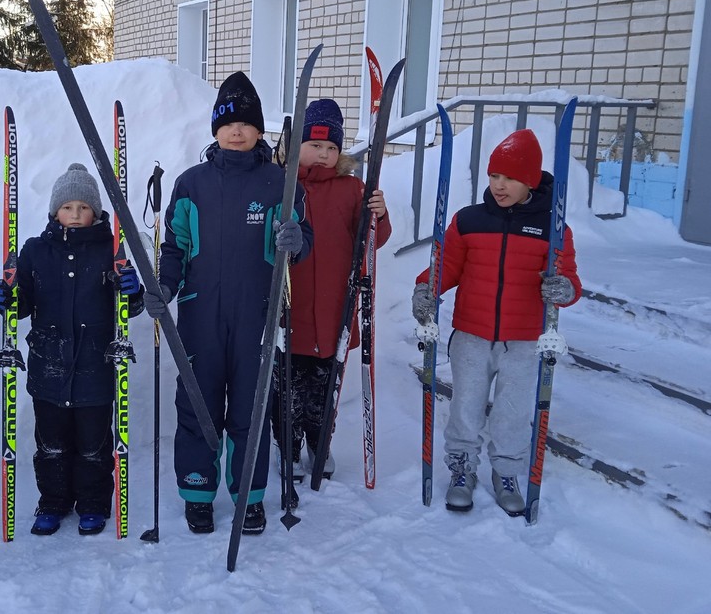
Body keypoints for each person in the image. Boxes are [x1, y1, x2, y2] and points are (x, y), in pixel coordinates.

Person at [143, 71, 314, 536]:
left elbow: (301, 242)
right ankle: (198, 493)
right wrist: (164, 288)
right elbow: (175, 247)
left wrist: (296, 241)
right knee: (198, 405)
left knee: (250, 407)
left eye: (246, 123)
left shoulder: (281, 183)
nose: (236, 130)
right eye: (227, 122)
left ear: (259, 130)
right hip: (200, 316)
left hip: (257, 314)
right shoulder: (191, 184)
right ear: (215, 129)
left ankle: (249, 496)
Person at [411, 129, 581, 515]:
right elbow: (447, 266)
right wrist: (426, 288)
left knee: (513, 411)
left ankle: (505, 472)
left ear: (531, 182)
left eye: (510, 179)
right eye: (494, 176)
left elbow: (569, 278)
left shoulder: (554, 229)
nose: (499, 186)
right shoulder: (469, 220)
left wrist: (564, 289)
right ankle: (461, 469)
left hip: (524, 340)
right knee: (465, 407)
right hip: (471, 333)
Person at [0, 163, 142, 537]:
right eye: (67, 207)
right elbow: (22, 303)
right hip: (49, 368)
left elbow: (129, 310)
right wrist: (8, 299)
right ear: (55, 211)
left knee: (94, 446)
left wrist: (132, 291)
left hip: (96, 367)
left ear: (96, 212)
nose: (75, 215)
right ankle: (53, 502)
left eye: (83, 207)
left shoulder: (112, 252)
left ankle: (92, 503)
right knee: (51, 446)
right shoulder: (35, 250)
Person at [271, 98, 392, 495]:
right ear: (296, 145)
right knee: (288, 388)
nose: (323, 154)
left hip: (333, 312)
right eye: (315, 145)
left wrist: (378, 214)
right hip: (290, 310)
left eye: (331, 147)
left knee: (325, 390)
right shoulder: (282, 185)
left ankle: (318, 444)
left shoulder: (351, 188)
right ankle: (287, 448)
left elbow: (371, 241)